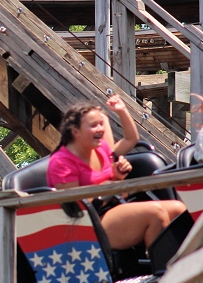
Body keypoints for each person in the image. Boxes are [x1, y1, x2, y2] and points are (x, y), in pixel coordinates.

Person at [46, 96, 187, 249]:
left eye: (101, 124)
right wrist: (112, 185)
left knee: (180, 210)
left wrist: (122, 111)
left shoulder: (100, 148)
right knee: (156, 214)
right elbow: (77, 207)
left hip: (114, 205)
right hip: (87, 222)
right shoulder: (61, 163)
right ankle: (165, 269)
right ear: (75, 132)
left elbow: (131, 139)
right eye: (94, 125)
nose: (101, 129)